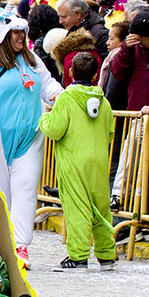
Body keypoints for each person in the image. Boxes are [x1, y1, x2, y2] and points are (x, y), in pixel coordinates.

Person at [0, 11, 62, 268]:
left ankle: (20, 246)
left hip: (30, 138)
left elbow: (48, 84)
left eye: (21, 32)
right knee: (1, 193)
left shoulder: (33, 59)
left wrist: (59, 96)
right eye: (14, 32)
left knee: (25, 190)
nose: (20, 36)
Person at [37, 53, 117, 269]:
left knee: (77, 207)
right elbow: (110, 132)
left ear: (70, 73)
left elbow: (54, 129)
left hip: (74, 162)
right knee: (101, 207)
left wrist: (44, 118)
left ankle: (78, 255)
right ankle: (107, 255)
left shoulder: (66, 99)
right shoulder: (104, 102)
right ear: (96, 74)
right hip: (99, 161)